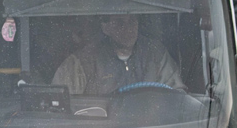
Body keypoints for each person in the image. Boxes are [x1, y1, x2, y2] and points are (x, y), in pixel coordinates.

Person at [51, 13, 184, 96]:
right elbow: (60, 105)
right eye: (119, 23)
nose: (128, 28)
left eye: (132, 21)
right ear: (106, 28)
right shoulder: (82, 62)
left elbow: (177, 95)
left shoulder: (155, 53)